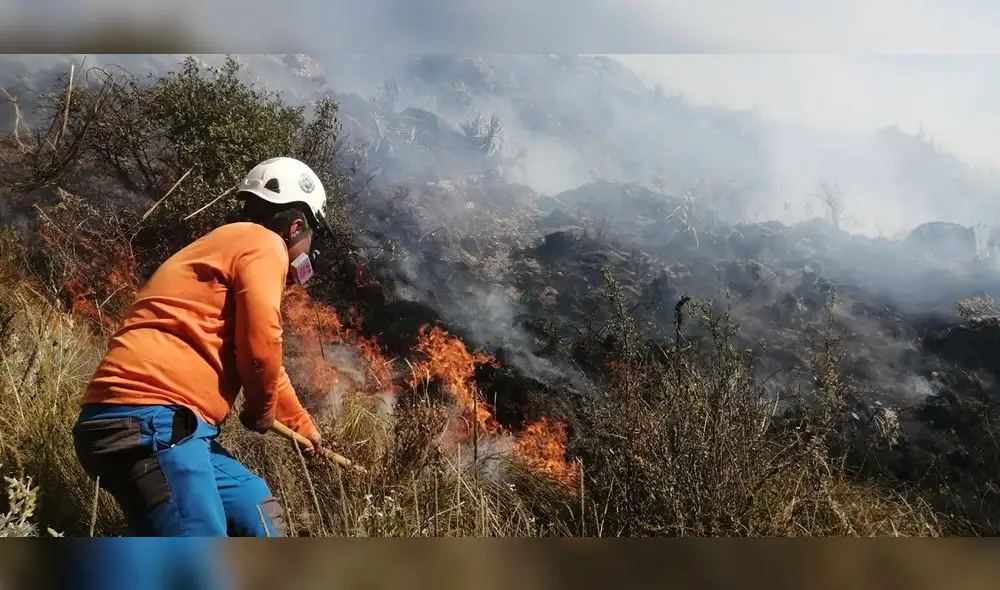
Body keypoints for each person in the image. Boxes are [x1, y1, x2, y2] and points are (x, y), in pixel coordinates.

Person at [72, 156, 331, 537]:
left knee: (253, 508)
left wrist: (302, 425)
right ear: (296, 226)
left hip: (171, 425)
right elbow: (262, 344)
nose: (311, 251)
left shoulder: (224, 245)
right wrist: (261, 409)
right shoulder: (265, 244)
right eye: (314, 237)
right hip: (150, 418)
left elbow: (268, 362)